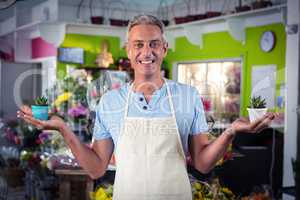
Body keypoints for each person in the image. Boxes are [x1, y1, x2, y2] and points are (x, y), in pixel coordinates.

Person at [18, 14, 276, 200]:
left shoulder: (187, 96)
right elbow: (97, 168)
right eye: (139, 45)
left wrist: (230, 131)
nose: (147, 51)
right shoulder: (110, 102)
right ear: (128, 51)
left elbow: (202, 163)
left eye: (154, 43)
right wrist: (64, 129)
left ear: (164, 49)